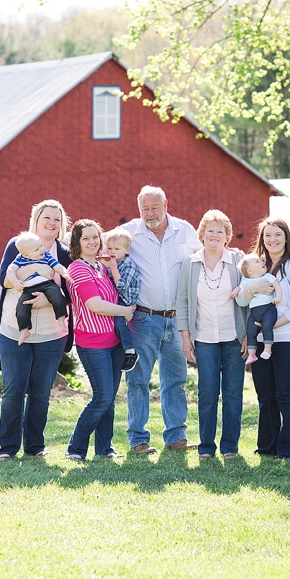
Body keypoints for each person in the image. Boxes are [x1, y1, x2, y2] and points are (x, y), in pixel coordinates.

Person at [116, 185, 201, 455]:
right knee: (138, 380)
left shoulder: (185, 230)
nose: (150, 214)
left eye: (154, 207)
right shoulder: (129, 232)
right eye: (144, 209)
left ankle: (176, 436)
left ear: (166, 203)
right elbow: (94, 244)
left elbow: (203, 258)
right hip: (143, 319)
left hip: (178, 320)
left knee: (175, 380)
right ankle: (138, 439)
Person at [0, 200, 74, 460]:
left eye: (57, 219)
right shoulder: (18, 245)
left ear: (62, 225)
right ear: (36, 220)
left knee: (40, 392)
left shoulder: (64, 252)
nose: (52, 223)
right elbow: (3, 278)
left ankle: (35, 446)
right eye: (46, 218)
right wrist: (22, 283)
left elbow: (74, 289)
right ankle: (7, 448)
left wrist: (50, 298)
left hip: (52, 334)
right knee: (14, 389)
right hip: (14, 329)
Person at [239, 217, 290, 460]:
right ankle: (267, 446)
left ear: (286, 237)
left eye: (277, 235)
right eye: (268, 235)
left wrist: (271, 325)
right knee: (265, 394)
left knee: (286, 393)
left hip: (289, 338)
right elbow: (241, 299)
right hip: (260, 341)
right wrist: (252, 289)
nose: (272, 240)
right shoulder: (255, 265)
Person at [178, 210, 247, 459]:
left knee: (233, 394)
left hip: (234, 339)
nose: (215, 235)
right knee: (207, 394)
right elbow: (183, 301)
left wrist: (248, 334)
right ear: (202, 235)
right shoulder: (191, 263)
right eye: (210, 230)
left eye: (220, 231)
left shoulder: (238, 263)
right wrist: (186, 337)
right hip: (204, 340)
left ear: (227, 236)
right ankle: (206, 447)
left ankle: (230, 447)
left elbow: (248, 301)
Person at [64, 219, 136, 460]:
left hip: (114, 342)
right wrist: (125, 312)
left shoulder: (102, 268)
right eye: (86, 238)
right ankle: (75, 448)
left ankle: (104, 448)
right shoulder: (77, 268)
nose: (92, 241)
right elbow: (94, 304)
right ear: (77, 243)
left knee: (109, 399)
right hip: (92, 343)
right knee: (102, 396)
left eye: (95, 236)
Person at [8, 231, 73, 343]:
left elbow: (57, 266)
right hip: (28, 289)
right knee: (21, 307)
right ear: (25, 255)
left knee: (57, 295)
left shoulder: (46, 255)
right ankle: (24, 330)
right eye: (36, 249)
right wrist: (15, 281)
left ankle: (61, 319)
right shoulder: (20, 259)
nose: (42, 250)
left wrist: (65, 273)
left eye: (41, 246)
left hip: (47, 284)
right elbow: (10, 270)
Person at [102, 228, 141, 372]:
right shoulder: (115, 263)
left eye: (117, 249)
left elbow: (121, 286)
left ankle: (130, 351)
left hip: (126, 300)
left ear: (127, 249)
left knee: (119, 322)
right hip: (117, 299)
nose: (112, 252)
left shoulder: (129, 265)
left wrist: (113, 269)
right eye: (110, 248)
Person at [236, 253, 282, 365]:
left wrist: (278, 296)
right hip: (254, 312)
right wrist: (234, 292)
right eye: (257, 262)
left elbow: (277, 285)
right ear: (250, 271)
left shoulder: (267, 276)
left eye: (261, 261)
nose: (262, 262)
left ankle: (268, 348)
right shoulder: (247, 281)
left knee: (267, 326)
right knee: (250, 331)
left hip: (268, 309)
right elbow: (240, 288)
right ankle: (252, 354)